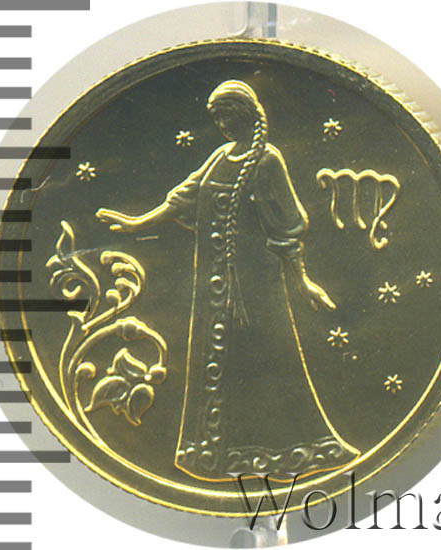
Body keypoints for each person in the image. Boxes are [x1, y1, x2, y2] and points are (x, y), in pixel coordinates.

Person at [97, 80, 360, 482]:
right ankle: (218, 455)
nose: (221, 124)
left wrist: (301, 280)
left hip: (257, 289)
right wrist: (136, 224)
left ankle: (284, 452)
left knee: (266, 358)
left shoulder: (267, 160)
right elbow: (181, 199)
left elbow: (289, 225)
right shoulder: (221, 156)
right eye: (216, 117)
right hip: (214, 289)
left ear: (246, 114)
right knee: (217, 361)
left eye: (226, 116)